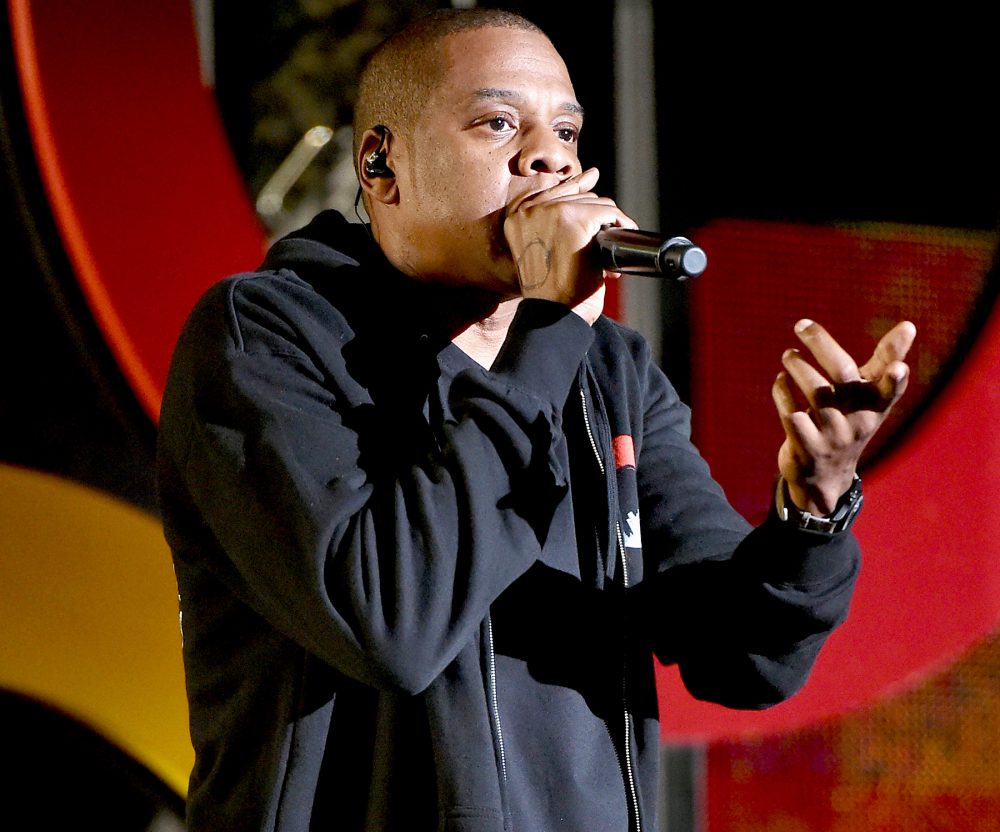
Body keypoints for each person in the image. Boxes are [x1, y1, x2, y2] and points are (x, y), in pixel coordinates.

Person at [156, 8, 916, 831]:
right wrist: (548, 336)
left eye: (566, 132)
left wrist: (812, 510)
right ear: (381, 164)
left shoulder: (607, 372)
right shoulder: (268, 335)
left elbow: (742, 658)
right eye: (497, 124)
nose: (548, 158)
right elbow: (389, 622)